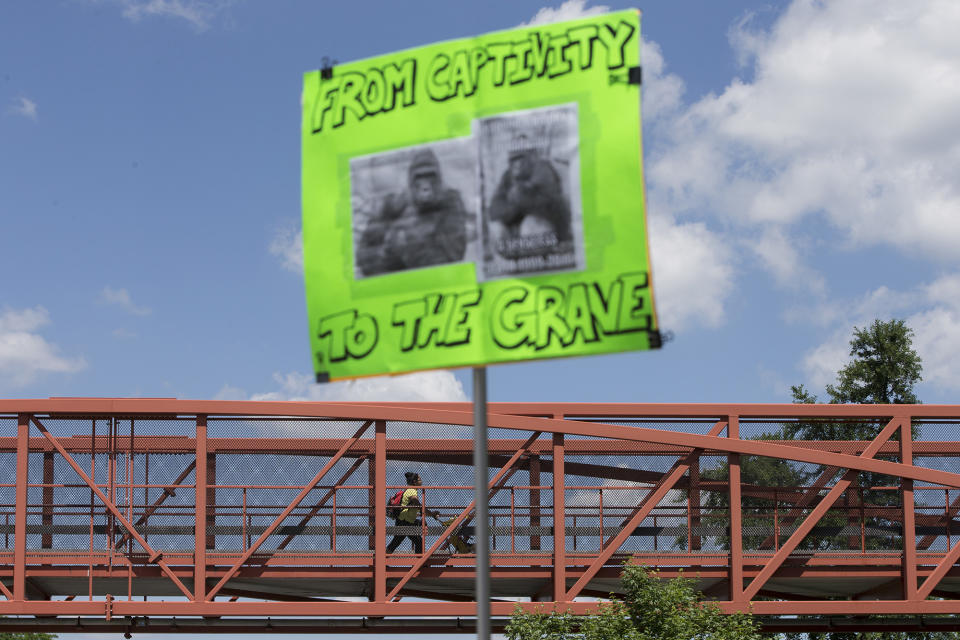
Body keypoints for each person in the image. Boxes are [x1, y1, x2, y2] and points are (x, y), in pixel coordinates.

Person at [356, 148, 468, 277]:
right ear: (411, 181)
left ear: (439, 180)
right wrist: (388, 253)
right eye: (420, 177)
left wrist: (406, 245)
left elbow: (454, 260)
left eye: (430, 176)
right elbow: (363, 257)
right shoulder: (394, 204)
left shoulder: (450, 203)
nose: (425, 187)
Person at [487, 134, 572, 258]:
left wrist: (517, 199)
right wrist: (515, 206)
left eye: (521, 158)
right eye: (513, 159)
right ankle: (519, 255)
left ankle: (540, 254)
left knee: (531, 223)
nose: (517, 164)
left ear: (531, 156)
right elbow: (494, 210)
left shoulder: (542, 168)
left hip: (549, 226)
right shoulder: (507, 175)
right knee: (496, 227)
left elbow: (549, 204)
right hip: (520, 227)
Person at [387, 471, 424, 554]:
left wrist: (429, 512)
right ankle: (418, 563)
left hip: (404, 521)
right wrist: (421, 507)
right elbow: (414, 499)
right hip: (405, 522)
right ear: (414, 482)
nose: (421, 481)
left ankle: (382, 559)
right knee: (418, 542)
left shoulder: (409, 490)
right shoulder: (412, 490)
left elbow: (418, 507)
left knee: (396, 543)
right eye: (420, 479)